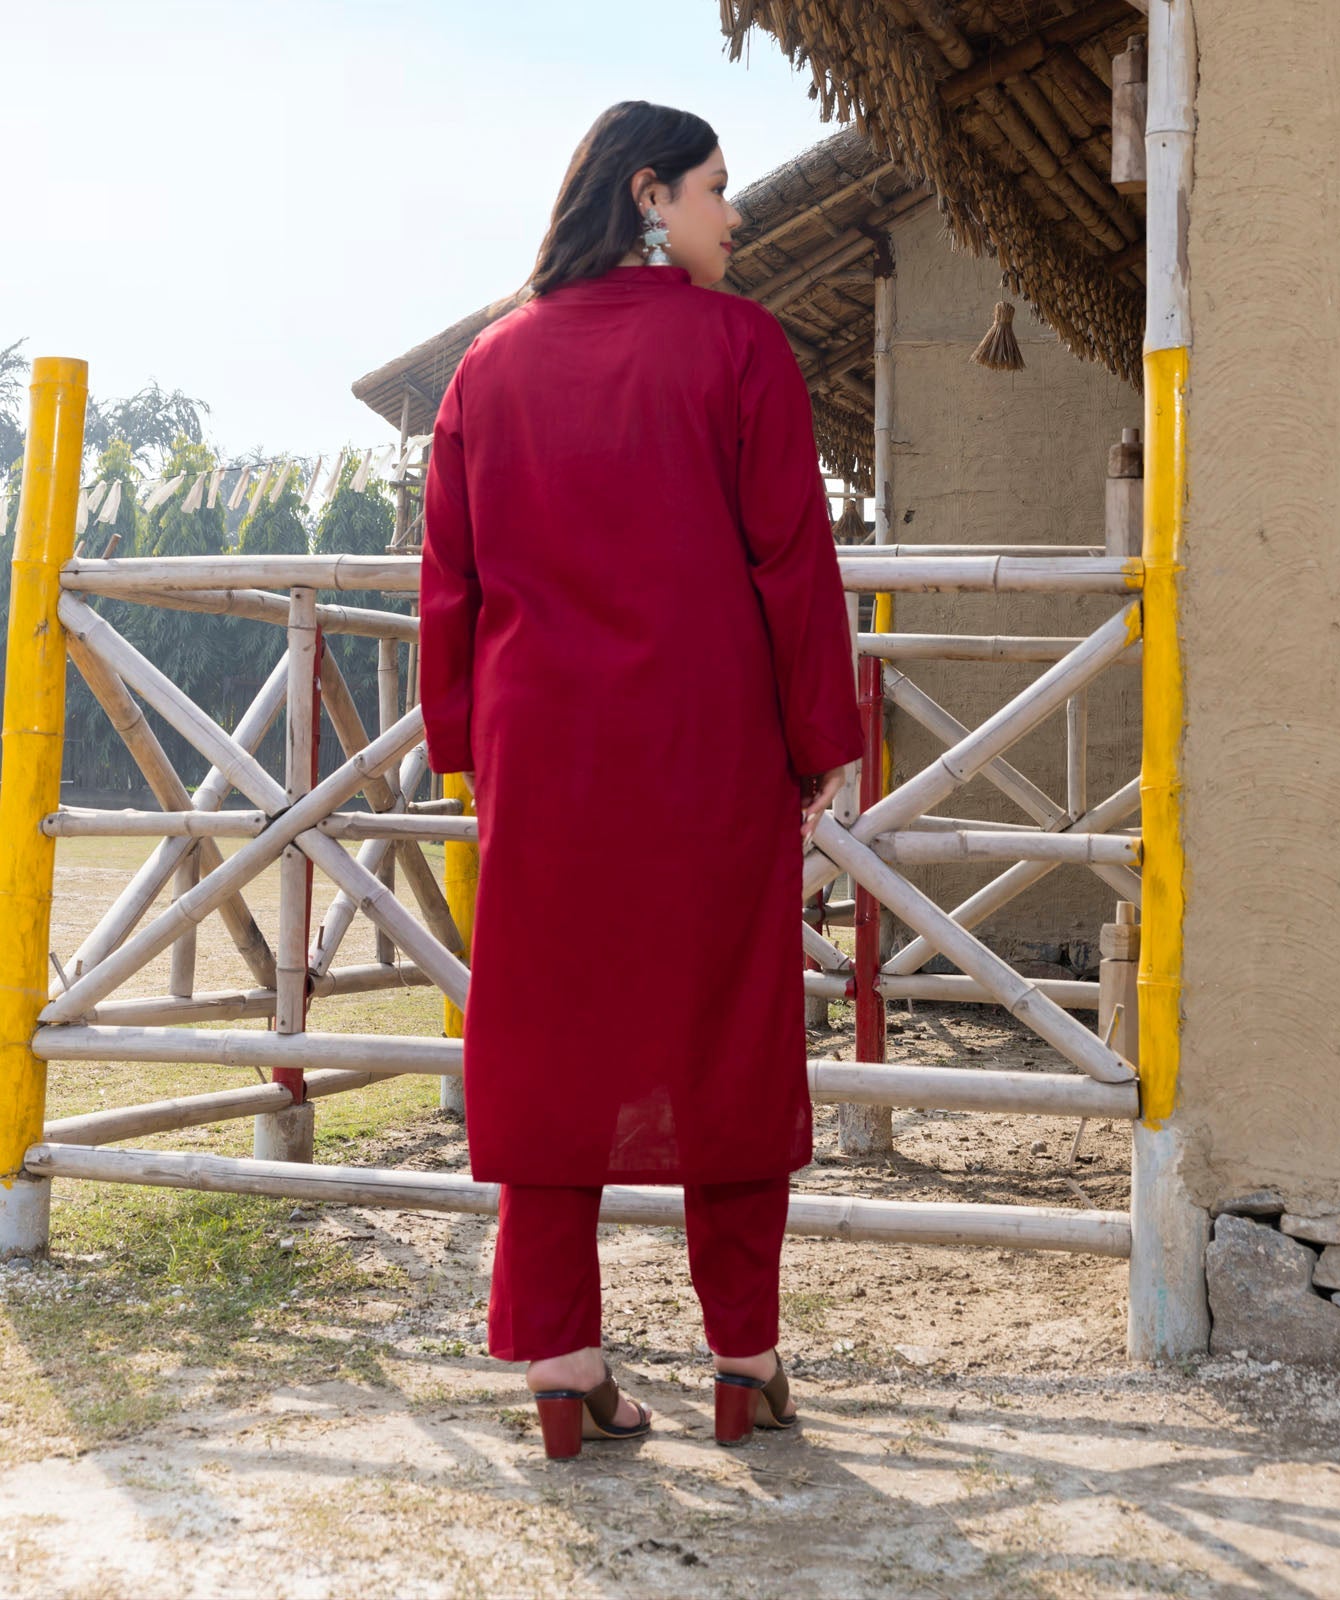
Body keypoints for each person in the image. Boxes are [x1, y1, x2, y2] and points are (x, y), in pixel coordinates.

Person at [419, 100, 863, 1460]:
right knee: (728, 1037)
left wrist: (466, 751)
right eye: (720, 190)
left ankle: (565, 1371)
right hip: (708, 760)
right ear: (650, 195)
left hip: (544, 769)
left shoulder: (484, 371)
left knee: (547, 1051)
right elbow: (792, 562)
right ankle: (745, 1365)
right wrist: (821, 742)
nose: (739, 217)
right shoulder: (740, 349)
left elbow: (453, 587)